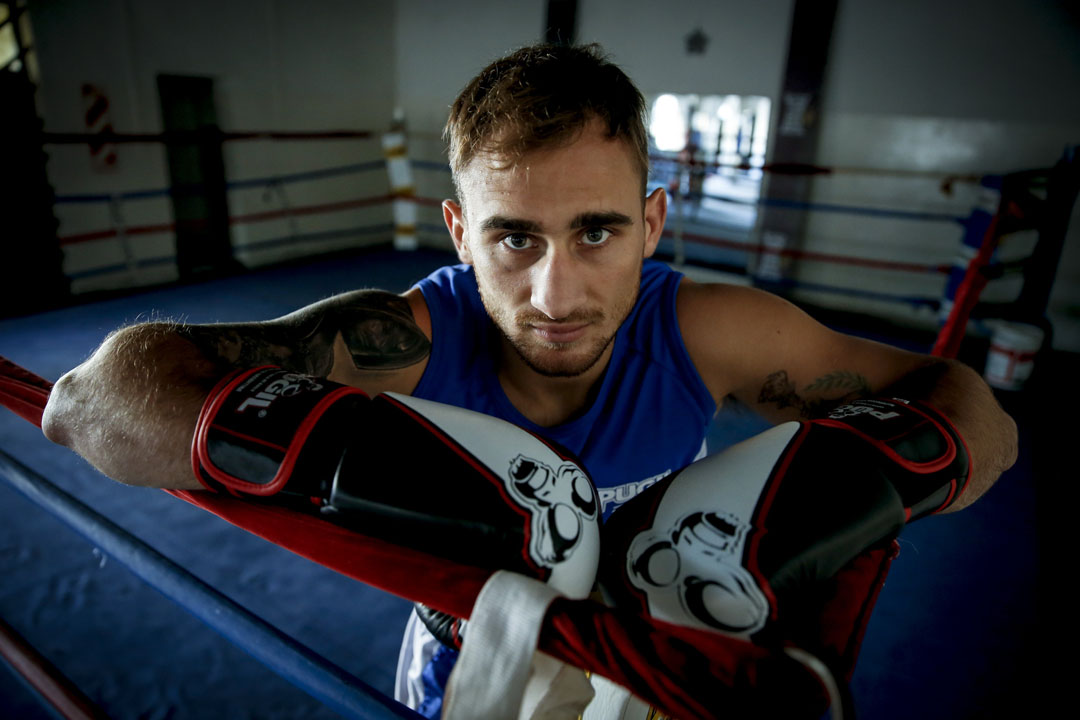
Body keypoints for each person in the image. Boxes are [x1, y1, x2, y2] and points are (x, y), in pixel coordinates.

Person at [41, 44, 1017, 718]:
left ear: (653, 223)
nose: (557, 293)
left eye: (597, 231)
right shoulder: (412, 341)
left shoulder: (708, 330)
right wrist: (355, 450)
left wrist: (873, 477)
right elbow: (86, 400)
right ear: (462, 234)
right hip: (468, 665)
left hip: (650, 668)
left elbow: (969, 406)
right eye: (514, 237)